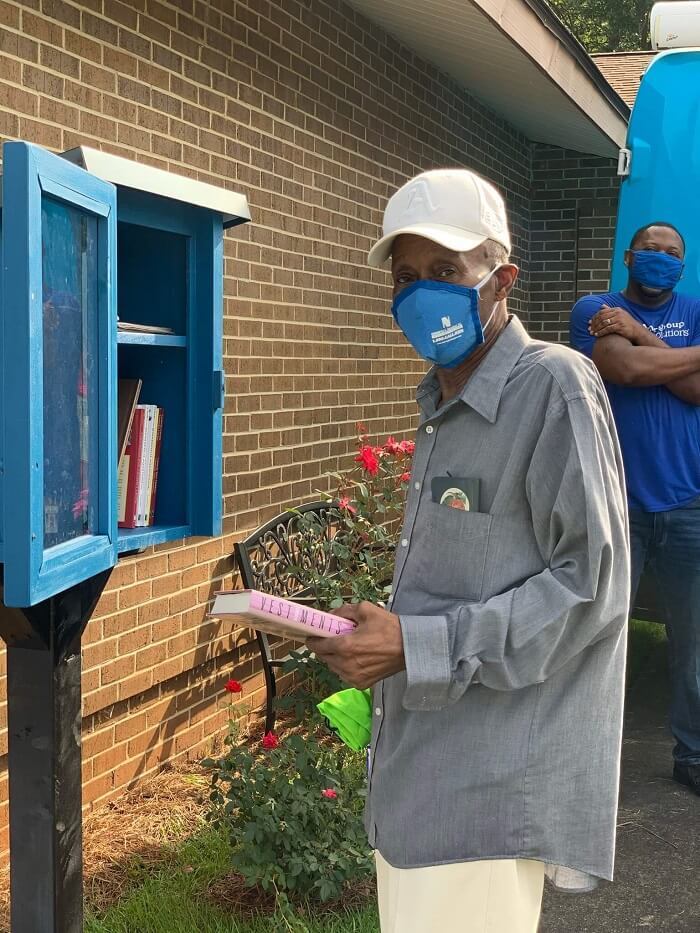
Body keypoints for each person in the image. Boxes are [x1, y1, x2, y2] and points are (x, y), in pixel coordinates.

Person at [308, 168, 630, 933]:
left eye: (447, 272)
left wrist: (416, 643)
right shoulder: (442, 404)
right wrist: (386, 636)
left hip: (484, 798)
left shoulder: (552, 385)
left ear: (502, 277)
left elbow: (592, 585)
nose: (423, 294)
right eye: (407, 276)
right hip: (422, 780)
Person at [570, 221, 700, 797]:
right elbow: (624, 370)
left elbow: (696, 392)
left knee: (693, 643)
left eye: (671, 254)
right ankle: (586, 757)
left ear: (683, 264)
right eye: (650, 250)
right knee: (602, 632)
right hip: (618, 504)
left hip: (690, 503)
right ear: (628, 255)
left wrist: (641, 333)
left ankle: (692, 757)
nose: (660, 259)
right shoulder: (595, 308)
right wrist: (668, 354)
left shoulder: (693, 311)